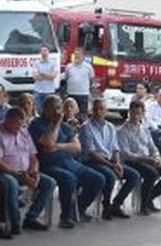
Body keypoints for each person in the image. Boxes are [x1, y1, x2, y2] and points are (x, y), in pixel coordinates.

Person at [30, 95, 105, 229]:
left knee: (98, 179)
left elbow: (77, 147)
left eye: (58, 108)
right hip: (48, 165)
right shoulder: (37, 124)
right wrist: (56, 124)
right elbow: (47, 143)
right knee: (68, 179)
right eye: (52, 108)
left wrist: (58, 146)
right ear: (44, 109)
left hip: (70, 163)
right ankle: (65, 217)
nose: (56, 112)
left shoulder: (65, 126)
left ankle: (78, 209)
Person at [0, 107, 57, 235]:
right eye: (16, 123)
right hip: (3, 172)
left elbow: (33, 156)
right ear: (7, 120)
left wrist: (33, 172)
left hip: (25, 171)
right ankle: (15, 222)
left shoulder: (24, 132)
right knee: (11, 183)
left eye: (21, 123)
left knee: (50, 183)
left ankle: (31, 217)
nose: (19, 126)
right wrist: (21, 176)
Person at [79, 98, 141, 220]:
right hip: (91, 162)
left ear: (106, 111)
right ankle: (106, 205)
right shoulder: (86, 127)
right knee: (110, 175)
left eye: (101, 109)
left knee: (134, 175)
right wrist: (112, 166)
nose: (98, 111)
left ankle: (116, 205)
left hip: (108, 161)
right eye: (95, 109)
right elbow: (92, 153)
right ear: (92, 110)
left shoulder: (110, 127)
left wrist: (117, 162)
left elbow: (115, 148)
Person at [117, 100, 161, 215]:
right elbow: (126, 154)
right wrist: (146, 159)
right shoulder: (123, 131)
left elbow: (153, 148)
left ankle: (149, 197)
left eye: (139, 113)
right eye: (133, 113)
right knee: (152, 173)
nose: (136, 116)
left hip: (147, 160)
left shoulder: (144, 129)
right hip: (131, 162)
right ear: (129, 112)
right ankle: (144, 205)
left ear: (143, 114)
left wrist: (157, 158)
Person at [63, 50, 94, 114]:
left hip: (83, 94)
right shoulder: (69, 66)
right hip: (71, 94)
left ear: (83, 56)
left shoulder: (88, 67)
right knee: (70, 113)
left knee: (82, 114)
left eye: (79, 55)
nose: (77, 56)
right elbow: (66, 78)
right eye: (75, 55)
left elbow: (91, 79)